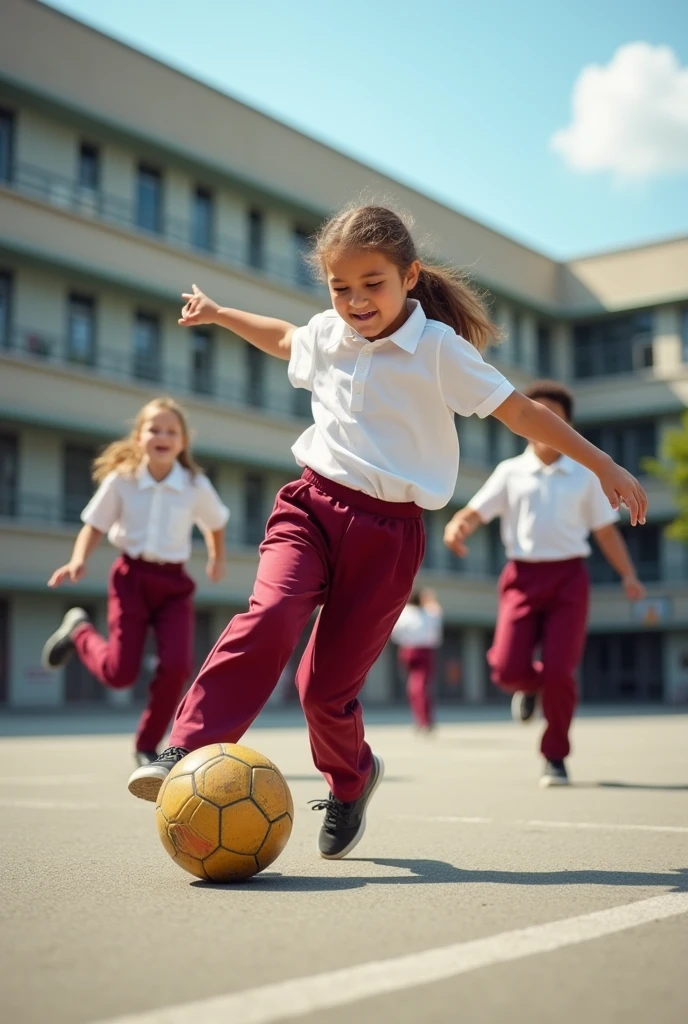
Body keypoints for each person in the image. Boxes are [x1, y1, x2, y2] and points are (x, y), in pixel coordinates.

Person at [127, 205, 646, 861]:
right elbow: (287, 337)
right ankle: (189, 741)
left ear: (409, 276)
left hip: (389, 534)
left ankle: (351, 781)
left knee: (325, 691)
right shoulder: (329, 333)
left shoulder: (438, 350)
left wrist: (600, 463)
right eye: (340, 288)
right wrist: (221, 313)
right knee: (273, 611)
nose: (354, 301)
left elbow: (516, 410)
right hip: (310, 506)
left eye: (372, 284)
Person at [443, 379, 647, 787]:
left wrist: (628, 575)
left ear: (567, 425)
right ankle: (534, 688)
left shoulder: (587, 474)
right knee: (505, 669)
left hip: (569, 579)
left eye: (555, 417)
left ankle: (555, 756)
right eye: (537, 416)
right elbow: (476, 511)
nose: (545, 423)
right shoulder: (510, 472)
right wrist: (457, 525)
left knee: (561, 671)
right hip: (521, 576)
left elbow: (606, 532)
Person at [42, 397, 229, 765]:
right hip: (131, 579)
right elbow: (94, 525)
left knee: (176, 666)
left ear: (183, 441)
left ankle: (147, 745)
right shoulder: (122, 481)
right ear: (139, 437)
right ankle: (79, 631)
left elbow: (216, 522)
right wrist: (78, 560)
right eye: (154, 429)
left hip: (174, 586)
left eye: (171, 431)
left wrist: (216, 557)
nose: (163, 435)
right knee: (119, 675)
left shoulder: (194, 484)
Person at [391, 588, 443, 732]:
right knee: (421, 686)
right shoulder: (430, 612)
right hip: (424, 651)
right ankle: (425, 719)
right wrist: (430, 600)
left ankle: (421, 719)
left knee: (415, 684)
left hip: (407, 650)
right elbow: (437, 618)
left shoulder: (404, 612)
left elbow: (395, 633)